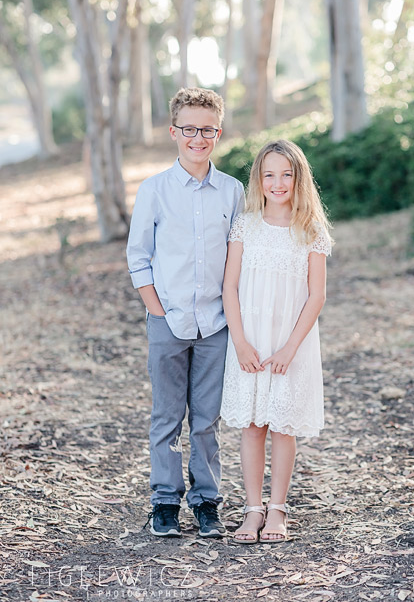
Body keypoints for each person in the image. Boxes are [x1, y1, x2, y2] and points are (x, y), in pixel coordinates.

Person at [127, 87, 245, 538]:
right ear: (174, 132)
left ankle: (207, 501)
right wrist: (157, 313)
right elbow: (138, 257)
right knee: (167, 416)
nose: (199, 138)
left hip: (215, 324)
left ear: (219, 132)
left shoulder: (232, 192)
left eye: (208, 130)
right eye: (190, 129)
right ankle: (164, 501)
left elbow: (238, 258)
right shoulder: (154, 190)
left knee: (207, 419)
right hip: (168, 320)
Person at [219, 139, 332, 544]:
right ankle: (252, 510)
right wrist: (240, 343)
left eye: (286, 174)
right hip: (250, 342)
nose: (278, 182)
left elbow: (316, 295)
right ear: (259, 179)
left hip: (290, 344)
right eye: (270, 174)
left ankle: (278, 509)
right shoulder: (245, 226)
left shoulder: (310, 231)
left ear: (298, 178)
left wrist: (290, 348)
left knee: (283, 426)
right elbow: (229, 287)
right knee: (252, 425)